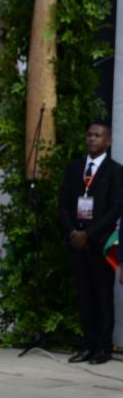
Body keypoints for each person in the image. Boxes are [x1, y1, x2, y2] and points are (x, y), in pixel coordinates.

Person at [59, 123, 122, 365]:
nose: (92, 139)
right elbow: (63, 204)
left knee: (102, 296)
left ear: (108, 141)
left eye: (98, 135)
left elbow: (114, 209)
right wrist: (73, 232)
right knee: (84, 296)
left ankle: (103, 349)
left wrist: (89, 234)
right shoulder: (75, 168)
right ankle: (87, 345)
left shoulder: (115, 171)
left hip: (100, 244)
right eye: (89, 135)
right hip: (76, 242)